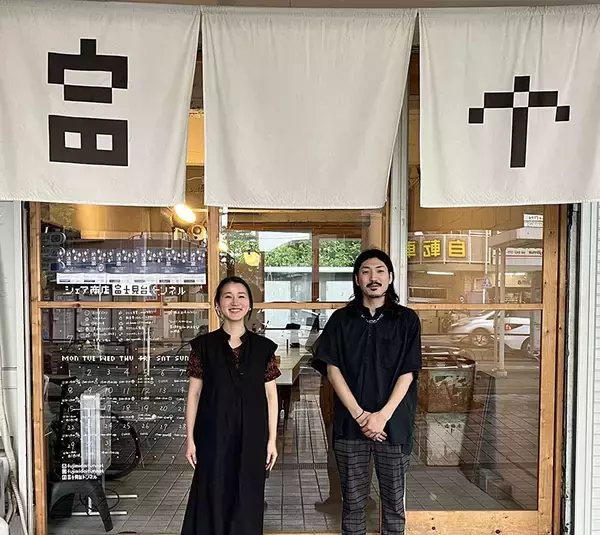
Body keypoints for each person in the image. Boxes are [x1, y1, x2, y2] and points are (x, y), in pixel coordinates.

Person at [312, 249, 422, 535]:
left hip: (393, 426)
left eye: (380, 271)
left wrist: (382, 417)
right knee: (352, 505)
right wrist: (361, 416)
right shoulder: (341, 320)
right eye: (366, 271)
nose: (373, 277)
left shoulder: (407, 320)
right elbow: (332, 370)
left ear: (390, 277)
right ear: (357, 279)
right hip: (351, 426)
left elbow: (408, 372)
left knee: (394, 505)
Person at [181, 276, 281, 535]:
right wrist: (190, 439)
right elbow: (194, 394)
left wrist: (272, 440)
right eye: (228, 296)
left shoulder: (264, 348)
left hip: (253, 436)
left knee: (248, 497)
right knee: (212, 494)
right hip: (213, 435)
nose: (235, 302)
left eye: (241, 296)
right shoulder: (203, 347)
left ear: (249, 305)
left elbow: (271, 396)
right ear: (217, 305)